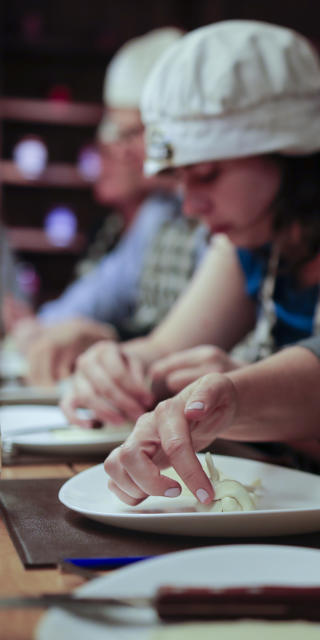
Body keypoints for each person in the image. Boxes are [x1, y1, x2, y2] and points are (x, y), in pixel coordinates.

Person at [60, 20, 320, 436]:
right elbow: (164, 351)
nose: (190, 204)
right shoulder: (253, 226)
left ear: (291, 152)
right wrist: (113, 367)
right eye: (179, 179)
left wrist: (248, 408)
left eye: (206, 174)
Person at [6, 27, 190, 386]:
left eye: (130, 133)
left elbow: (200, 349)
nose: (118, 148)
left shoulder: (199, 214)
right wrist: (43, 330)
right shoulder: (156, 215)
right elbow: (92, 305)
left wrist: (107, 343)